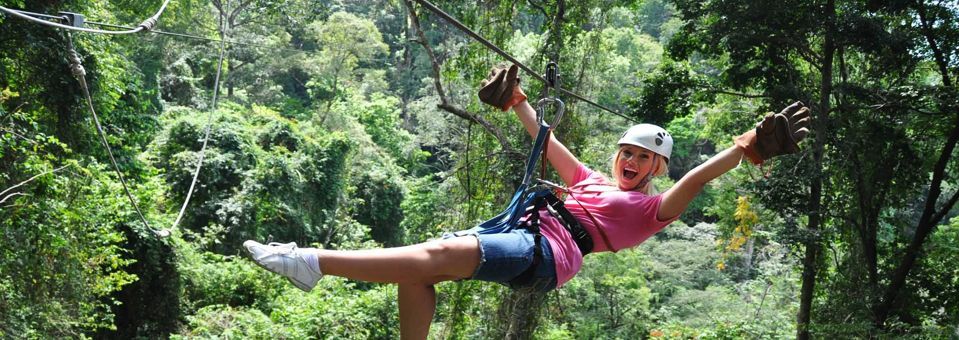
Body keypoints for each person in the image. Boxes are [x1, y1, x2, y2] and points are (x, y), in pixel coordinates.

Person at [242, 64, 810, 339]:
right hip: (523, 230)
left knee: (435, 252)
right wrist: (515, 98)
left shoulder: (651, 210)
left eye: (644, 158)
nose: (631, 161)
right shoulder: (589, 179)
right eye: (626, 152)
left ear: (658, 168)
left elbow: (701, 178)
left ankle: (309, 260)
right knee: (416, 271)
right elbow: (547, 140)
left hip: (547, 251)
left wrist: (748, 146)